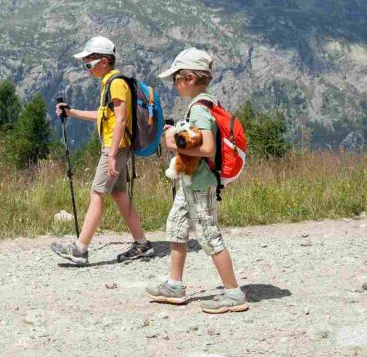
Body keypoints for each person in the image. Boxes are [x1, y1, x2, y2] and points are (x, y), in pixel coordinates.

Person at [145, 47, 248, 313]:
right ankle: (174, 285)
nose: (174, 84)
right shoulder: (205, 102)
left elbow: (207, 148)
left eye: (176, 78)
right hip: (189, 180)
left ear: (189, 78)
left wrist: (173, 145)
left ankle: (234, 294)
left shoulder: (200, 108)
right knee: (176, 226)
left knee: (208, 235)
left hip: (201, 183)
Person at [50, 36, 154, 265]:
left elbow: (120, 120)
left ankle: (80, 249)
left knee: (97, 193)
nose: (86, 68)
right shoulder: (109, 83)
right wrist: (72, 112)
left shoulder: (115, 83)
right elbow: (104, 116)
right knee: (119, 194)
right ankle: (142, 244)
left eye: (89, 63)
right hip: (118, 147)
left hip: (114, 148)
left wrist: (112, 155)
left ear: (105, 61)